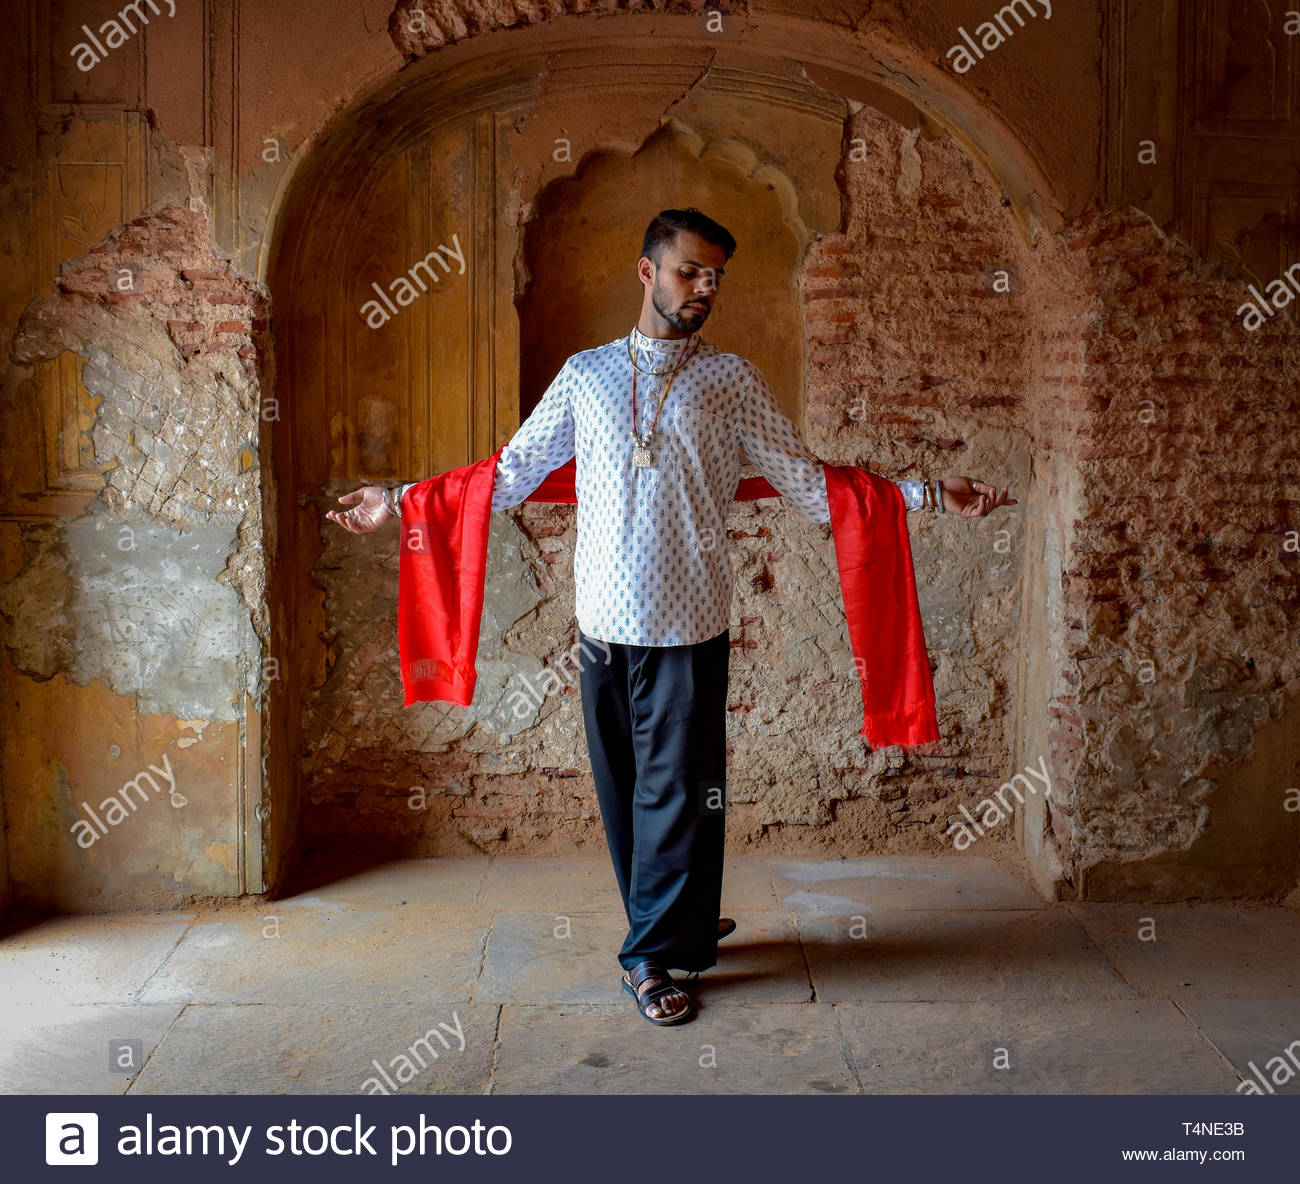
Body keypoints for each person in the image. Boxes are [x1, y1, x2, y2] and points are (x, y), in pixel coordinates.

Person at [328, 207, 1016, 1026]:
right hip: (600, 627)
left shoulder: (732, 381)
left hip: (688, 624)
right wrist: (398, 498)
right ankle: (681, 925)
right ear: (647, 271)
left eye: (715, 276)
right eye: (690, 270)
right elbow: (506, 477)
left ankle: (647, 960)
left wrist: (928, 492)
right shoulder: (585, 375)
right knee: (628, 792)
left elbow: (810, 485)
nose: (704, 288)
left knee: (682, 794)